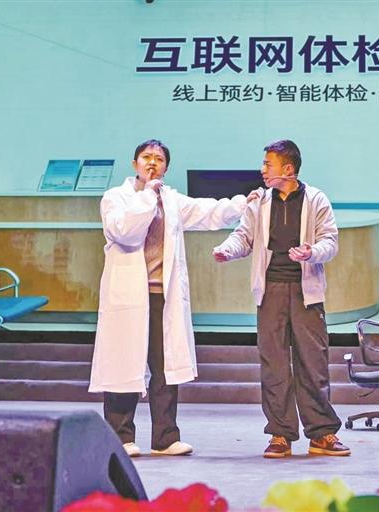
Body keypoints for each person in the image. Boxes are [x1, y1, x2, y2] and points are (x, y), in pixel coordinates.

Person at [89, 139, 258, 457]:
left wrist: (240, 203)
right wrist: (148, 196)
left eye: (159, 159)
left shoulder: (171, 200)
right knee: (123, 364)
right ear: (135, 163)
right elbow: (124, 232)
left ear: (167, 167)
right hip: (128, 298)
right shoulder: (116, 198)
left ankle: (165, 437)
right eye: (146, 157)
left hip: (162, 296)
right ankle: (120, 437)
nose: (152, 163)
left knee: (165, 367)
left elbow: (209, 212)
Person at [212, 140, 350, 458]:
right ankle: (280, 434)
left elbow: (330, 241)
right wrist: (227, 250)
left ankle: (322, 433)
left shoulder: (316, 199)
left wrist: (312, 252)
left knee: (313, 364)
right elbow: (243, 236)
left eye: (268, 164)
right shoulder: (260, 201)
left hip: (306, 293)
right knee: (274, 365)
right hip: (270, 290)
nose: (262, 170)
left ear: (288, 169)